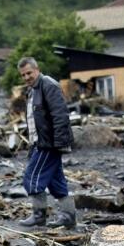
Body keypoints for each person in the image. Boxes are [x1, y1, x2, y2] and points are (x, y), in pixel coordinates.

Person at [17, 57, 76, 228]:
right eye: (23, 75)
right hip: (40, 142)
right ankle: (68, 216)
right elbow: (34, 121)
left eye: (29, 73)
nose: (27, 77)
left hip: (49, 143)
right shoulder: (32, 90)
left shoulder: (48, 85)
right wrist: (31, 144)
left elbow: (61, 115)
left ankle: (39, 216)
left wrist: (59, 143)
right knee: (55, 180)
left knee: (32, 178)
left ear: (37, 69)